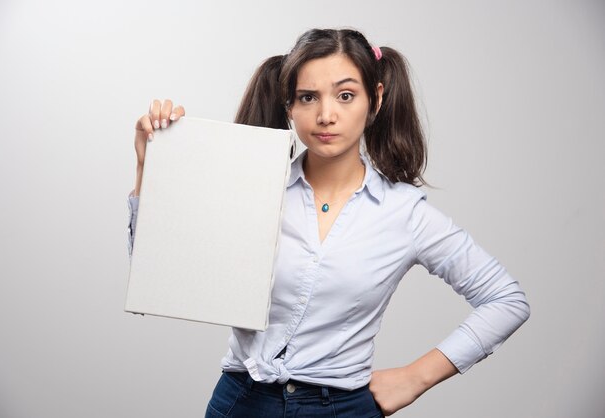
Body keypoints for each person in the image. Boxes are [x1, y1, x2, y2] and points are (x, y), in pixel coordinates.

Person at [127, 28, 530, 417]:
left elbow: (507, 300)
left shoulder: (405, 213)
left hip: (343, 408)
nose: (325, 115)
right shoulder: (250, 189)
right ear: (289, 106)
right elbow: (159, 277)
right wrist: (151, 166)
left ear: (375, 99)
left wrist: (415, 378)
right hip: (242, 402)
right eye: (308, 97)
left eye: (345, 95)